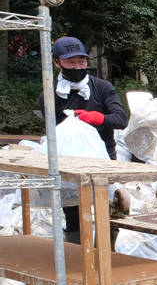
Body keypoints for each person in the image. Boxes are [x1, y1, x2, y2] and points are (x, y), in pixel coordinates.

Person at [38, 37, 128, 243]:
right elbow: (52, 132)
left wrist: (99, 118)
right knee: (73, 213)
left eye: (82, 61)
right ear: (57, 63)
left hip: (103, 160)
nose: (78, 67)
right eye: (71, 62)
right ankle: (76, 259)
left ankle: (106, 259)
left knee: (108, 211)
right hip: (68, 165)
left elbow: (121, 119)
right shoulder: (50, 95)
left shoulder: (102, 88)